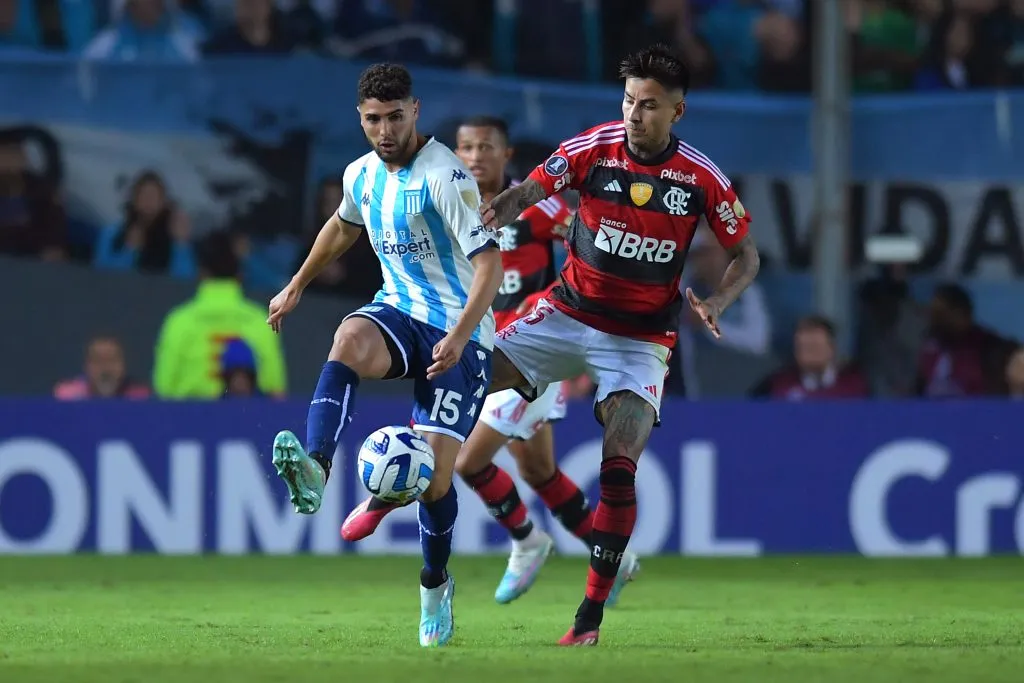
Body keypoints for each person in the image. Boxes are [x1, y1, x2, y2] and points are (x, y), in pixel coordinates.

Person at [482, 43, 760, 645]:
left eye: (651, 105)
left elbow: (747, 255)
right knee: (455, 373)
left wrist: (716, 302)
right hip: (564, 314)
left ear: (678, 112)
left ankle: (588, 619)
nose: (636, 114)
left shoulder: (702, 179)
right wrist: (491, 213)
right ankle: (397, 491)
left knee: (618, 471)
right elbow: (527, 193)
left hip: (639, 340)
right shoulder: (592, 148)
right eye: (630, 100)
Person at [265, 63, 503, 648]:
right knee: (347, 337)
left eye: (396, 117)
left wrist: (459, 335)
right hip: (398, 310)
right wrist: (297, 283)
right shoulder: (361, 175)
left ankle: (434, 584)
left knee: (437, 480)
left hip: (459, 334)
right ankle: (317, 469)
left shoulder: (446, 177)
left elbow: (489, 266)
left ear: (415, 111)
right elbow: (343, 228)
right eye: (374, 119)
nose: (385, 130)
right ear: (361, 119)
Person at [449, 116, 637, 606]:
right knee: (538, 472)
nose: (475, 156)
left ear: (506, 154)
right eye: (466, 147)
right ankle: (612, 557)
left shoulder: (534, 207)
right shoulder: (452, 208)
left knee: (468, 461)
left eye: (486, 146)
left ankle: (527, 542)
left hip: (529, 355)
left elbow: (589, 244)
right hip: (486, 354)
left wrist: (569, 308)